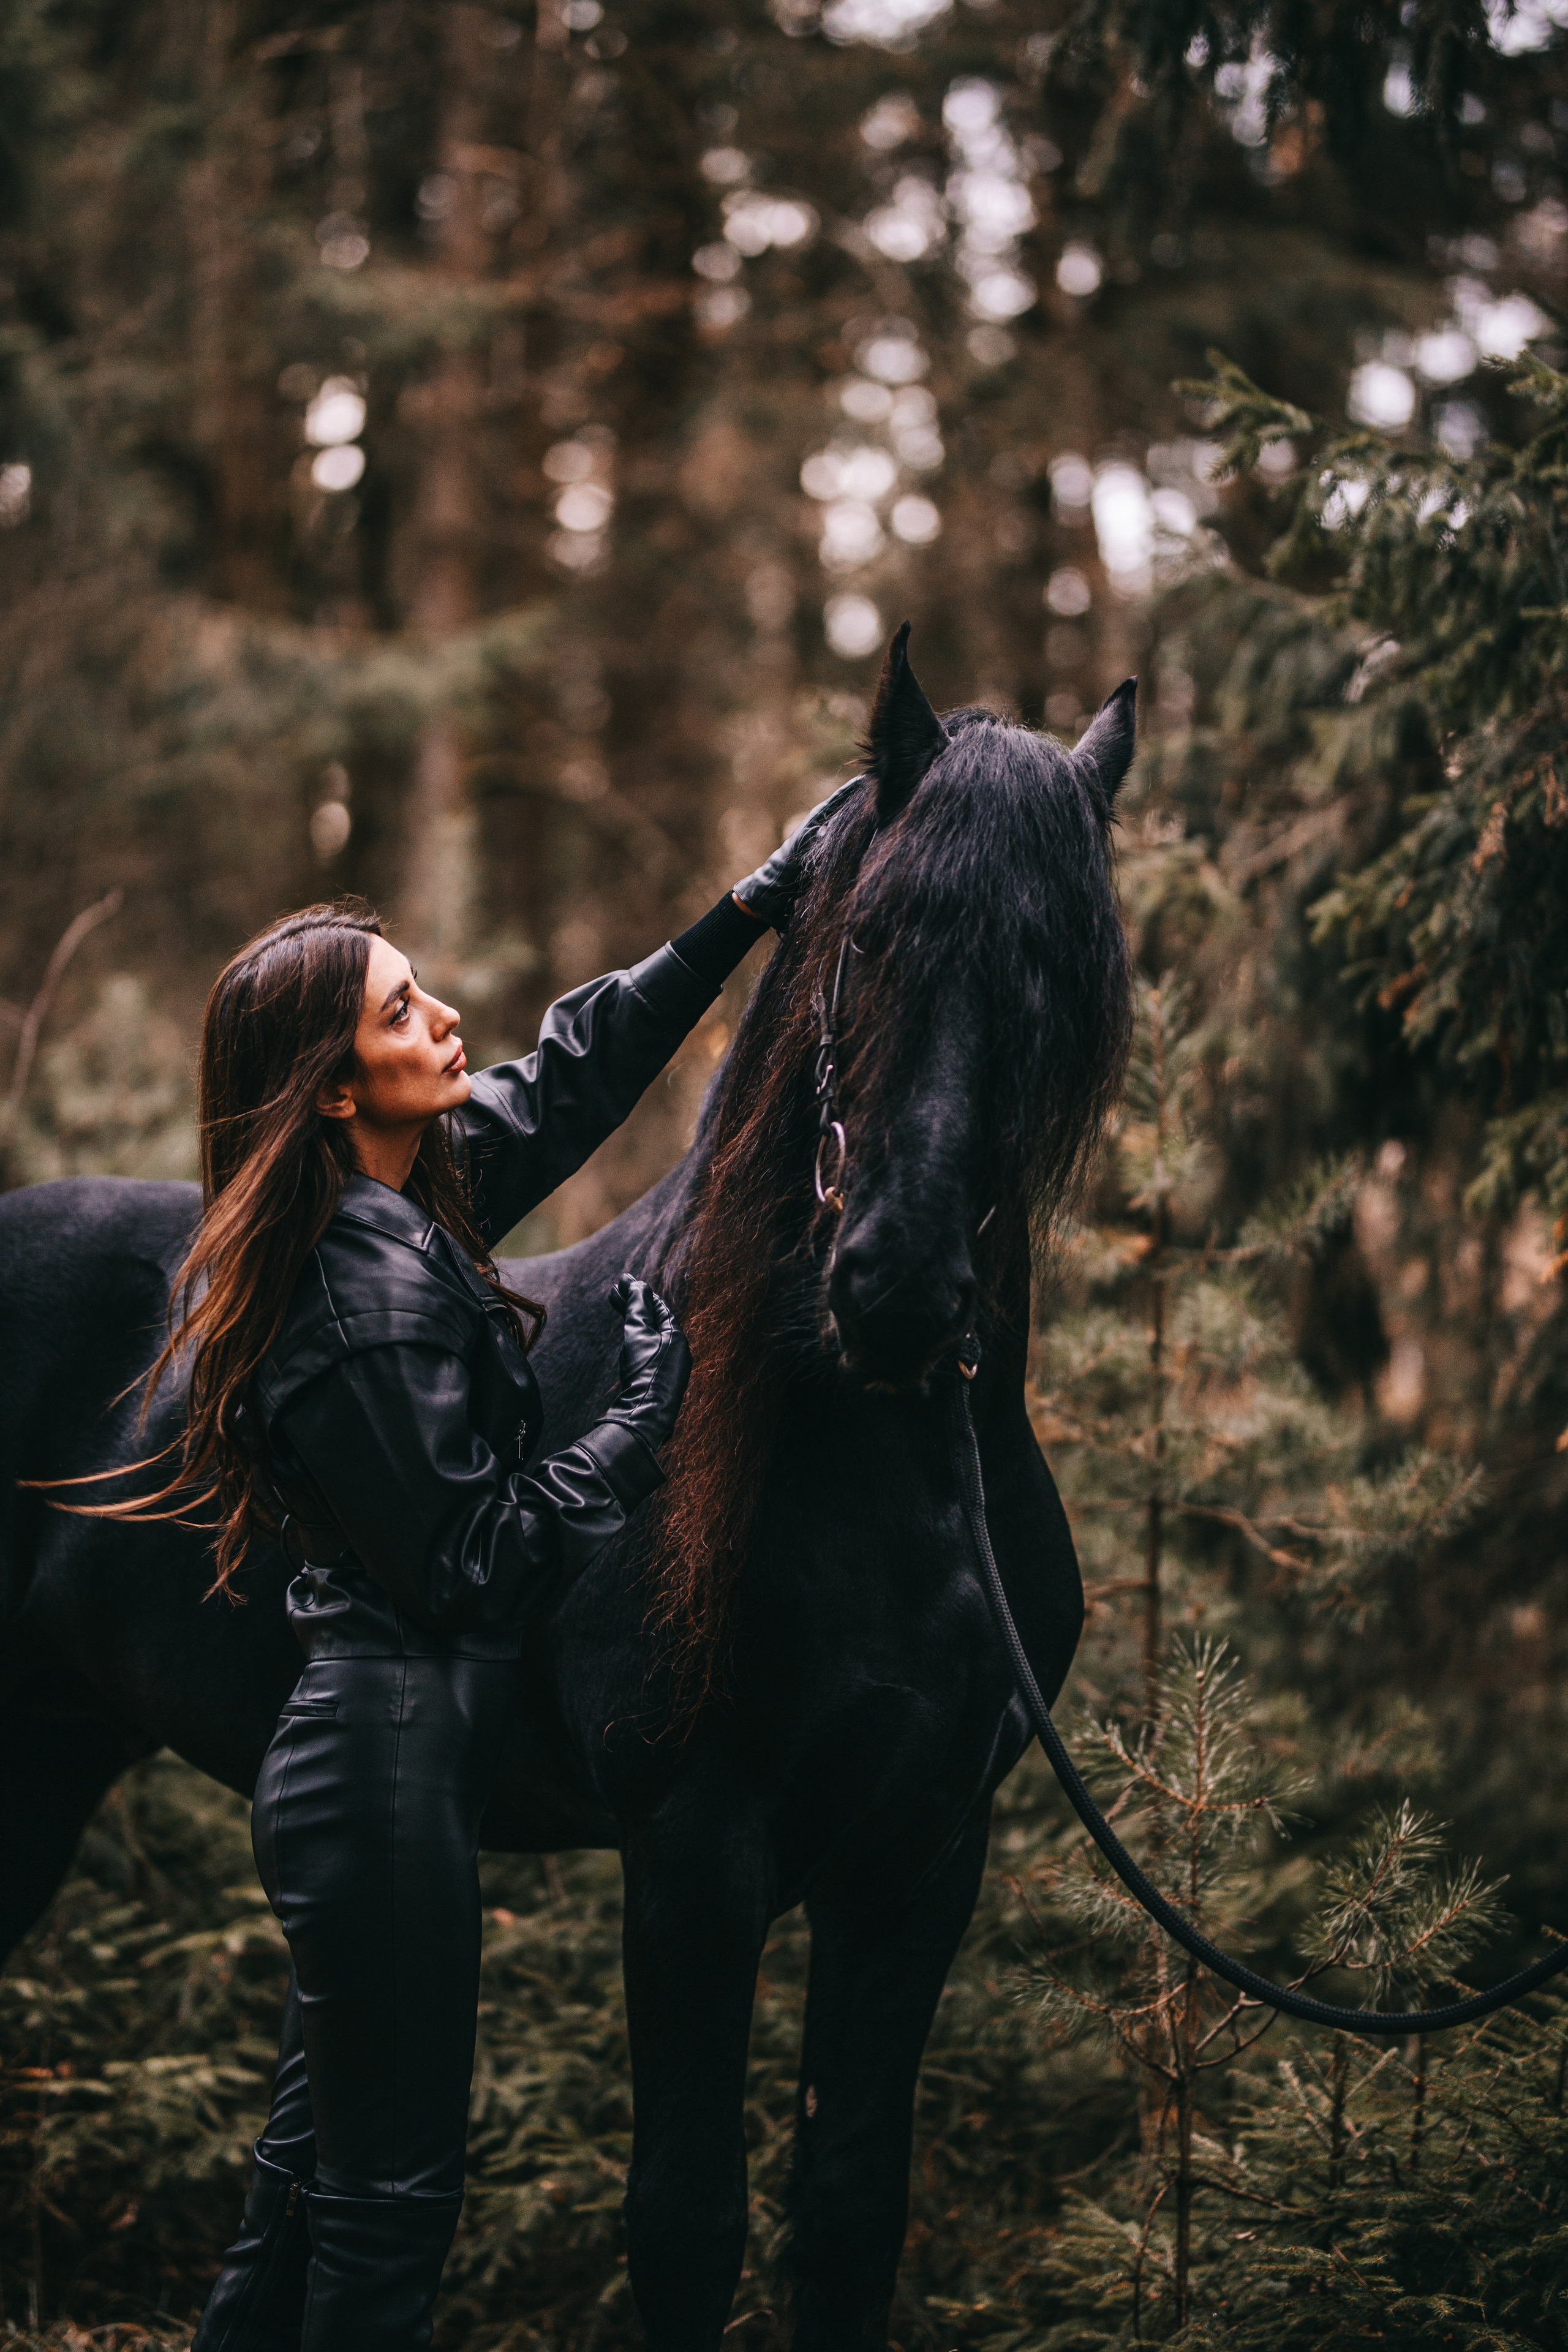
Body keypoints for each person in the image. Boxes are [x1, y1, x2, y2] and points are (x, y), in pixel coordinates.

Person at [85, 785, 854, 2351]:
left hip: (385, 1765)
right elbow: (470, 1564)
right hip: (377, 1772)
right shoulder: (356, 1293)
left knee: (310, 2192)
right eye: (399, 1010)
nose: (445, 1019)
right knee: (385, 2222)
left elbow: (567, 1077)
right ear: (325, 1087)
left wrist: (749, 905)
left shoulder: (387, 1211)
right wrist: (639, 1419)